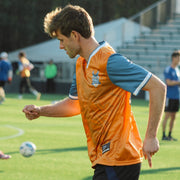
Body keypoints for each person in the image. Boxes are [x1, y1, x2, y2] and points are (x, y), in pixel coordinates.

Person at [22, 5, 166, 180]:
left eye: (61, 39)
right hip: (104, 157)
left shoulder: (110, 61)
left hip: (120, 157)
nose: (61, 46)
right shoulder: (81, 64)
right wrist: (41, 111)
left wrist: (151, 137)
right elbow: (75, 104)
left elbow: (158, 87)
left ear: (75, 35)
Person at [162, 51, 180, 141]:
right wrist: (178, 82)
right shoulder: (168, 69)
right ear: (174, 58)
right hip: (169, 96)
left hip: (176, 96)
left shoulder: (178, 70)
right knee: (167, 115)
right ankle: (163, 135)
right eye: (178, 57)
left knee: (174, 116)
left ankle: (170, 135)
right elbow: (168, 82)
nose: (179, 59)